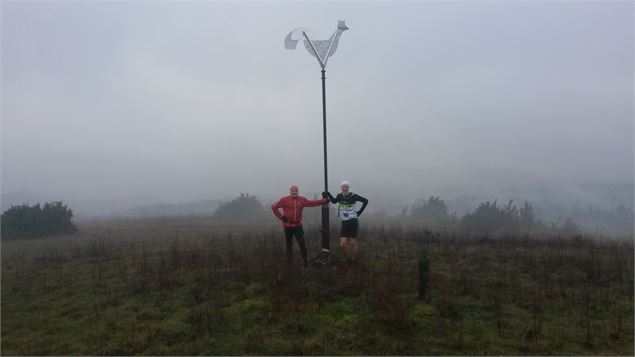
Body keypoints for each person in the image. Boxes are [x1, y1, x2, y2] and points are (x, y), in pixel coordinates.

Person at [271, 184, 327, 266]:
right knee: (289, 245)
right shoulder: (284, 200)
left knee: (302, 244)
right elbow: (274, 207)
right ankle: (289, 264)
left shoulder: (302, 200)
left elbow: (312, 203)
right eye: (292, 190)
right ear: (290, 191)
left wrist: (324, 200)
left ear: (298, 191)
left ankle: (305, 263)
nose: (294, 192)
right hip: (288, 226)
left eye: (295, 190)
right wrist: (281, 217)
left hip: (298, 226)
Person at [323, 180, 368, 263]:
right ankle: (349, 258)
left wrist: (359, 212)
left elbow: (365, 201)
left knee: (353, 243)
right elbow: (334, 201)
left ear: (348, 188)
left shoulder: (353, 196)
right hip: (344, 222)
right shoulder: (339, 196)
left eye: (346, 187)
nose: (345, 188)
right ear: (341, 187)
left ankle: (354, 260)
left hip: (353, 221)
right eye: (343, 186)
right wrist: (327, 194)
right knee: (342, 244)